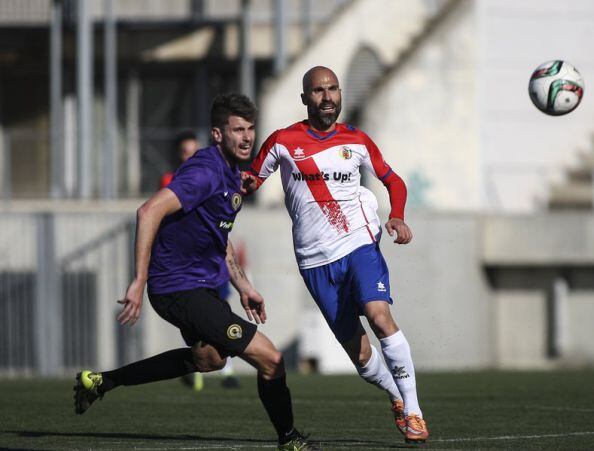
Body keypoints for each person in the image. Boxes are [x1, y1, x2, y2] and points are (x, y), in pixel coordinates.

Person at [73, 93, 311, 450]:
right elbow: (148, 211)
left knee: (210, 359)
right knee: (270, 358)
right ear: (218, 134)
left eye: (250, 129)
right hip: (178, 287)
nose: (247, 137)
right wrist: (139, 279)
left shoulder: (232, 173)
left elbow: (220, 236)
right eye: (237, 130)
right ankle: (290, 439)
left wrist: (244, 286)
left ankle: (101, 382)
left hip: (197, 286)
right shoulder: (205, 172)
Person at [244, 66, 429, 443]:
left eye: (332, 89)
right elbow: (249, 181)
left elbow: (393, 180)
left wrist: (397, 216)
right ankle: (396, 395)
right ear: (304, 98)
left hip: (358, 243)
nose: (326, 97)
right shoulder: (282, 141)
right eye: (317, 91)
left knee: (379, 317)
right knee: (360, 356)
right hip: (314, 260)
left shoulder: (357, 140)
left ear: (340, 93)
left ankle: (413, 409)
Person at [160, 130, 243, 391]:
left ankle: (225, 371)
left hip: (214, 264)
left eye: (194, 152)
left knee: (221, 314)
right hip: (186, 270)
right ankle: (199, 369)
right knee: (199, 323)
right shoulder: (171, 183)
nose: (190, 157)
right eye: (185, 153)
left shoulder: (213, 177)